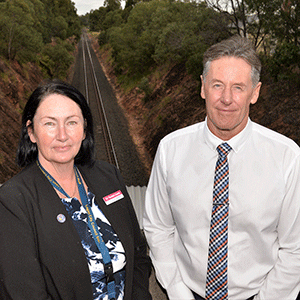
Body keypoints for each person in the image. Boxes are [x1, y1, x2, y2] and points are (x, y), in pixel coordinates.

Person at [143, 35, 300, 300]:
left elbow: (295, 248)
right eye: (217, 85)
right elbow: (158, 228)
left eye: (238, 87)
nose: (226, 99)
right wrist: (179, 292)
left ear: (255, 92)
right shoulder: (171, 150)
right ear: (203, 87)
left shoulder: (287, 157)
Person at [0, 79, 152, 300]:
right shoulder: (13, 201)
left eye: (71, 122)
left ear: (84, 130)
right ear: (31, 132)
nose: (62, 135)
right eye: (50, 124)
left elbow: (138, 254)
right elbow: (23, 291)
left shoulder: (108, 176)